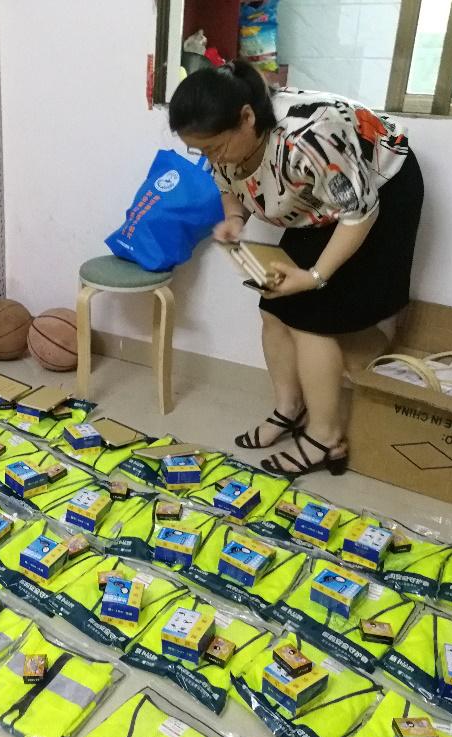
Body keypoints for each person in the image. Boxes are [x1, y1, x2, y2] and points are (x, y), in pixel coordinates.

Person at [169, 61, 423, 477]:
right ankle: (288, 409)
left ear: (247, 118)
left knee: (311, 319)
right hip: (320, 205)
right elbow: (228, 183)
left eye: (213, 147)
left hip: (380, 192)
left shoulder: (308, 139)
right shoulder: (226, 141)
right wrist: (234, 219)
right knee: (274, 306)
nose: (211, 157)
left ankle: (325, 437)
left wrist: (316, 275)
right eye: (201, 151)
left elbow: (358, 212)